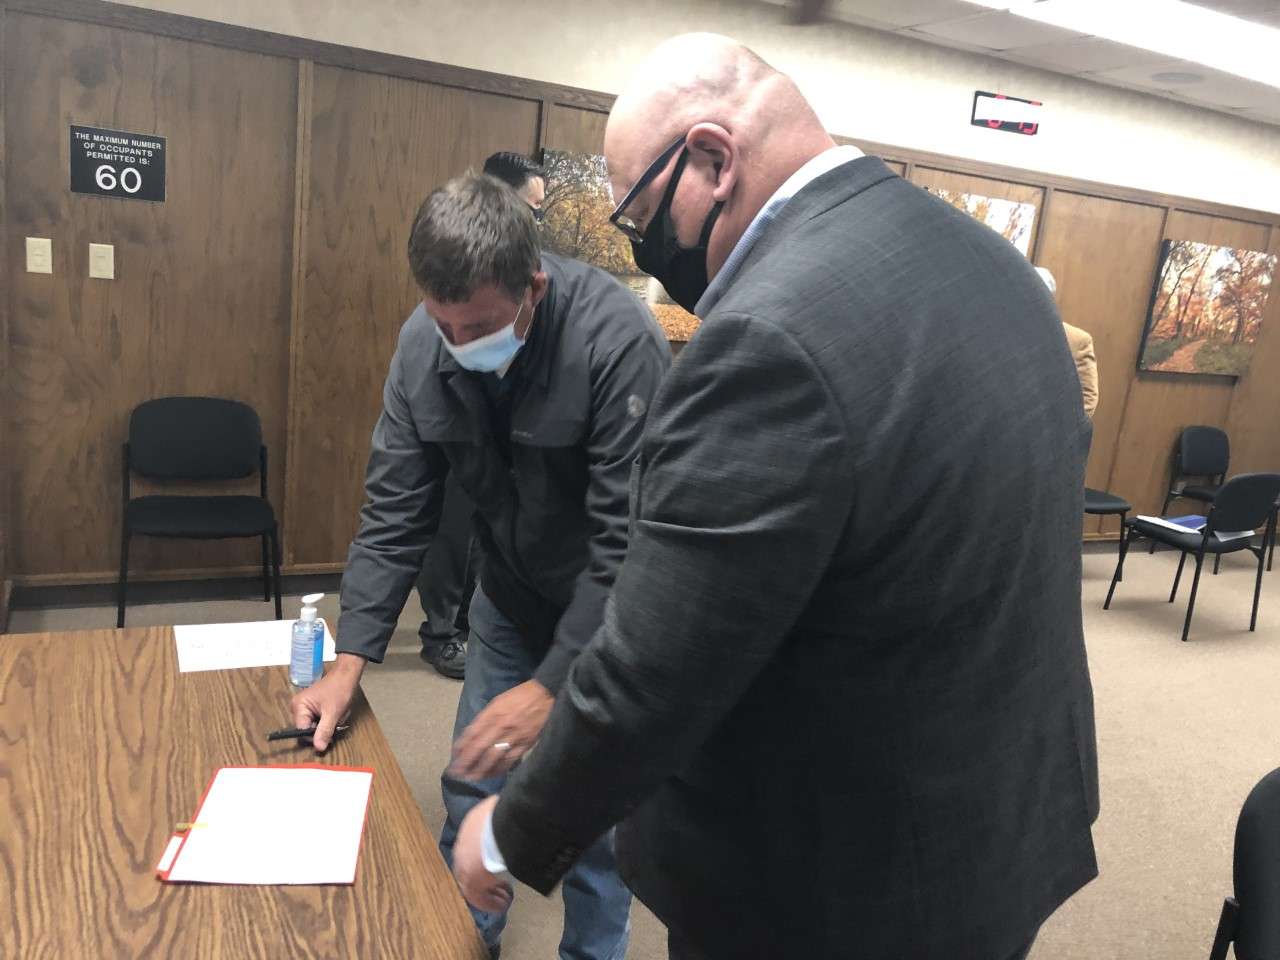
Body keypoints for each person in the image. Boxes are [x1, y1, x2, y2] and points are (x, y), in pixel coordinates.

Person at [452, 33, 1099, 960]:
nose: (642, 247)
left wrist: (513, 828)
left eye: (640, 216)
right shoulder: (993, 265)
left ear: (712, 158)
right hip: (1001, 822)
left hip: (839, 882)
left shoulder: (767, 337)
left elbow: (656, 663)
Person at [290, 173, 670, 960]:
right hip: (508, 598)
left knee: (597, 820)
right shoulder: (423, 346)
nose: (461, 348)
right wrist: (351, 655)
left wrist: (551, 685)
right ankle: (463, 941)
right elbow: (396, 511)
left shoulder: (615, 339)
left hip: (611, 621)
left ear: (533, 287)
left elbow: (624, 546)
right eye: (444, 324)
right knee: (473, 786)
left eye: (480, 326)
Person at [417, 152, 548, 680]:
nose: (534, 222)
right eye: (530, 208)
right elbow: (395, 509)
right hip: (461, 425)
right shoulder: (425, 335)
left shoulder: (589, 325)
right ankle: (442, 631)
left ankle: (467, 624)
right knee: (450, 530)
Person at [1036, 265, 1099, 419]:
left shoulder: (1077, 340)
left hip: (1048, 430)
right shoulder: (1006, 328)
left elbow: (1088, 397)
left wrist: (1064, 431)